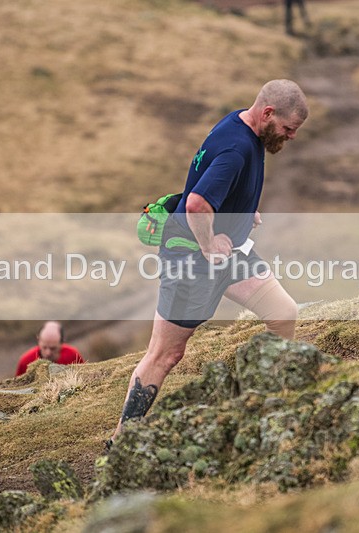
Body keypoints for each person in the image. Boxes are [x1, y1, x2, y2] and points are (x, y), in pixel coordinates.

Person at [109, 79, 309, 446]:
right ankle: (121, 438)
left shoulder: (243, 126)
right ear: (268, 113)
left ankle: (266, 401)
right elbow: (197, 204)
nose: (290, 136)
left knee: (283, 313)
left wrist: (243, 211)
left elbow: (217, 188)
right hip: (191, 257)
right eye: (287, 129)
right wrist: (208, 243)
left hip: (231, 252)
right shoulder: (237, 148)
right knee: (165, 354)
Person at [15, 321, 84, 376]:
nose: (48, 353)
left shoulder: (73, 356)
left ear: (61, 342)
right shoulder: (25, 361)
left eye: (53, 348)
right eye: (44, 347)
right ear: (38, 340)